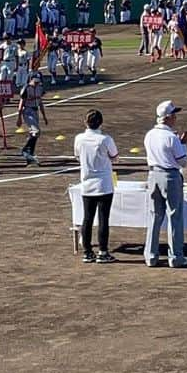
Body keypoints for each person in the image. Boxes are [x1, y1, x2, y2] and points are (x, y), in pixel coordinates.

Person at [143, 99, 187, 267]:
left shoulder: (149, 135)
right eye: (174, 115)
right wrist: (184, 145)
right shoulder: (171, 137)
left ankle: (150, 255)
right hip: (170, 176)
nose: (176, 118)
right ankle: (176, 256)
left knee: (154, 216)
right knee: (174, 216)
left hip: (153, 174)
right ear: (168, 117)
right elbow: (183, 162)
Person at [73, 109, 118, 263]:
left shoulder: (79, 139)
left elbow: (77, 156)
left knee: (88, 218)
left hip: (87, 182)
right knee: (103, 219)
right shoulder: (105, 139)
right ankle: (103, 251)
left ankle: (87, 251)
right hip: (103, 184)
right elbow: (115, 157)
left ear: (86, 122)